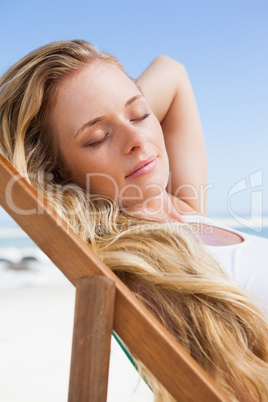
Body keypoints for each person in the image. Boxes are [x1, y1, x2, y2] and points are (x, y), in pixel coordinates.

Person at [0, 40, 267, 401]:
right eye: (96, 139)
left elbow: (172, 71)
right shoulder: (147, 271)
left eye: (140, 113)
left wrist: (104, 106)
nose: (137, 140)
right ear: (60, 172)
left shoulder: (184, 206)